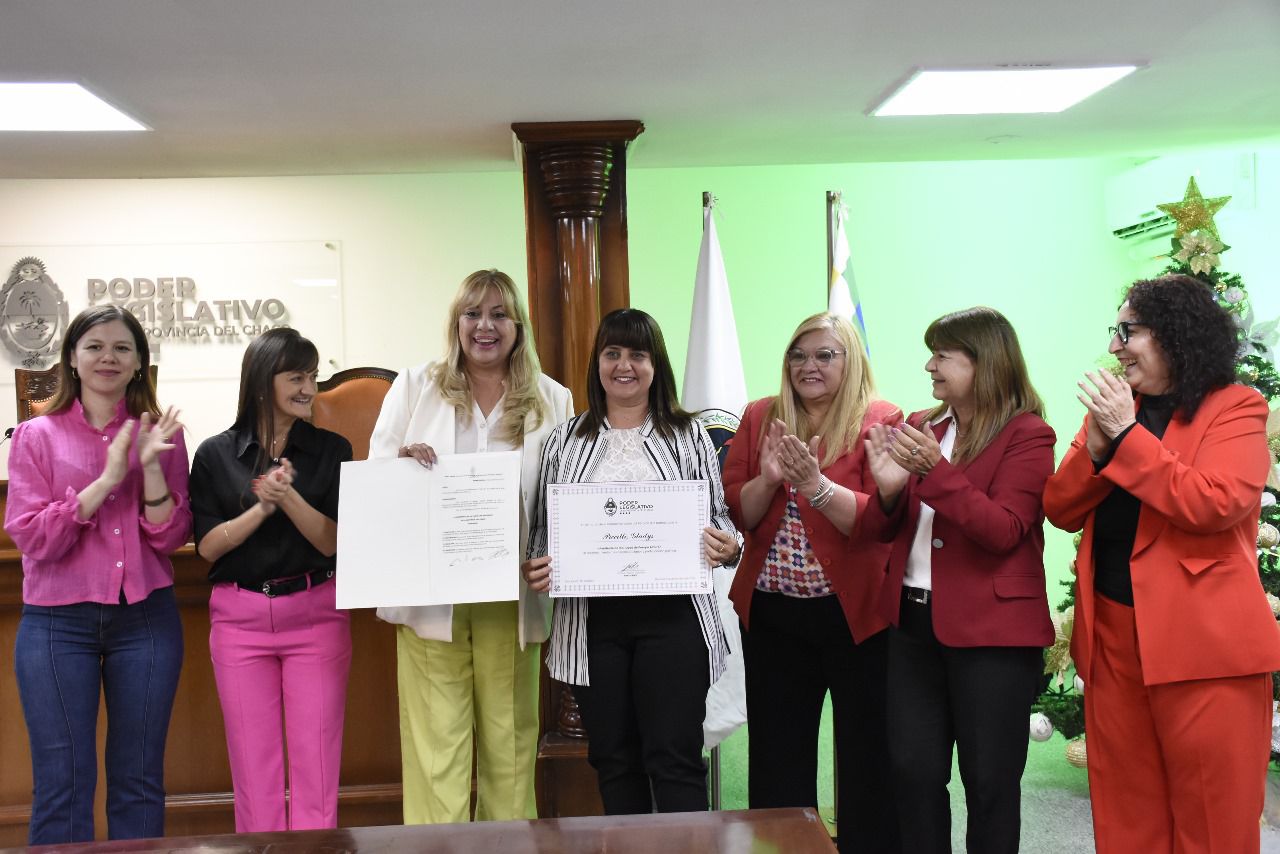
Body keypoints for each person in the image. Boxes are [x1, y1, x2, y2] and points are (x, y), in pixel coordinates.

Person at [1043, 274, 1280, 854]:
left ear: (1175, 334)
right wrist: (1099, 447)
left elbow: (1213, 503)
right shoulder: (1118, 408)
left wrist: (1126, 435)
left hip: (1205, 643)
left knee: (1212, 819)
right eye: (1115, 332)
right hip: (1114, 635)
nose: (1117, 345)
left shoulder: (1238, 407)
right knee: (1127, 811)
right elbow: (1059, 507)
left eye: (1130, 331)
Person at [369, 269, 573, 824]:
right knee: (438, 755)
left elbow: (566, 495)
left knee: (509, 751)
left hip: (511, 600)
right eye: (473, 314)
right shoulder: (415, 387)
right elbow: (376, 481)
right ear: (456, 323)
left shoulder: (553, 398)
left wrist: (554, 558)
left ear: (518, 327)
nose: (485, 326)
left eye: (499, 314)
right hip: (432, 602)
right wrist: (403, 470)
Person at [522, 307, 741, 815]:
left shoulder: (689, 436)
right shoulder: (563, 441)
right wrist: (539, 566)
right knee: (614, 759)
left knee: (675, 759)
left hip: (674, 620)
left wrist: (729, 547)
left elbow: (721, 520)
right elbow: (543, 534)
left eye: (637, 354)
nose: (624, 365)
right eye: (612, 353)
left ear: (655, 364)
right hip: (593, 624)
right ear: (597, 363)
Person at [862, 306, 1054, 854]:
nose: (929, 365)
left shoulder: (1028, 435)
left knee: (990, 783)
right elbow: (884, 528)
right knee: (914, 774)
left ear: (984, 362)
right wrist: (890, 489)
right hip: (912, 624)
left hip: (994, 636)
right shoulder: (924, 425)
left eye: (943, 355)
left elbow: (1004, 529)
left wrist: (934, 473)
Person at [5, 305, 189, 844]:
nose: (108, 357)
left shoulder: (164, 433)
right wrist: (109, 478)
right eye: (94, 346)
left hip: (146, 620)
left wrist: (149, 466)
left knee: (139, 780)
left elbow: (170, 537)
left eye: (122, 348)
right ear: (72, 358)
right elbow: (34, 537)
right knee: (62, 781)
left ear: (139, 363)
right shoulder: (36, 436)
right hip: (58, 626)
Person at [721, 311, 901, 853]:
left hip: (855, 617)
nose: (809, 366)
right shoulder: (759, 416)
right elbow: (740, 512)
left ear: (851, 359)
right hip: (775, 617)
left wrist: (816, 486)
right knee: (778, 758)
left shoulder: (881, 419)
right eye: (799, 355)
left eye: (826, 355)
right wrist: (770, 479)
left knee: (868, 755)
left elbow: (879, 521)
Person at [188, 328, 352, 832]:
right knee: (253, 769)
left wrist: (289, 498)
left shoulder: (332, 449)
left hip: (316, 616)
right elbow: (208, 547)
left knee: (316, 768)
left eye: (313, 376)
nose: (309, 388)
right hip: (239, 622)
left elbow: (332, 542)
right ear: (263, 382)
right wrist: (261, 508)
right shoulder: (215, 454)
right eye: (296, 377)